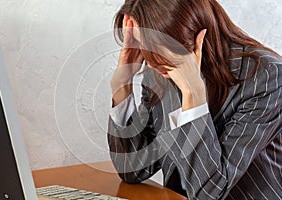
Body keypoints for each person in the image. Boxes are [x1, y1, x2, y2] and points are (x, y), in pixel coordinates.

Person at [107, 0, 282, 199]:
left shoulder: (267, 78)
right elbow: (133, 169)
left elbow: (209, 193)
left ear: (191, 31)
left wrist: (194, 96)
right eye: (141, 43)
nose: (150, 59)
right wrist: (122, 84)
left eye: (156, 45)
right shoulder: (161, 69)